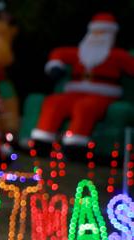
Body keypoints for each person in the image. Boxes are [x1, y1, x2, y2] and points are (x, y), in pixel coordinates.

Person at [31, 12, 134, 158]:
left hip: (102, 93)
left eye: (102, 32)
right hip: (74, 91)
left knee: (85, 107)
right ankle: (42, 142)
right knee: (53, 102)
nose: (97, 36)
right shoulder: (80, 52)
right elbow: (59, 53)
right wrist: (55, 65)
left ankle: (75, 146)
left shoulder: (117, 55)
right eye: (95, 32)